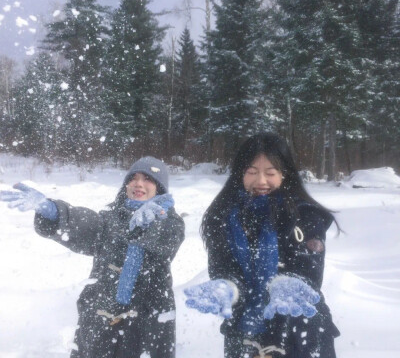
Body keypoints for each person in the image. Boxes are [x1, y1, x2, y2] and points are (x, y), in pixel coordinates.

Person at [0, 156, 185, 358]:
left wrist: (153, 223)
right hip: (98, 320)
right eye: (134, 178)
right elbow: (88, 225)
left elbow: (165, 241)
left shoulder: (170, 223)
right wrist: (56, 213)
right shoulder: (109, 219)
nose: (138, 183)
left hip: (147, 325)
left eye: (148, 179)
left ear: (160, 188)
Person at [184, 133, 340, 358]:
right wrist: (229, 287)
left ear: (284, 174)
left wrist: (287, 282)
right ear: (240, 173)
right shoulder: (224, 216)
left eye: (270, 172)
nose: (261, 181)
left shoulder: (305, 215)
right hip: (244, 331)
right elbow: (223, 266)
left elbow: (310, 272)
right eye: (252, 171)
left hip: (299, 330)